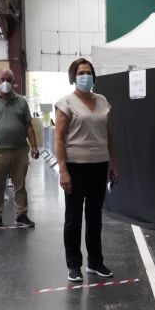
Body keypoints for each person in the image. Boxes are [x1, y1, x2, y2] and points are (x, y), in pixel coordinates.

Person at [54, 58, 119, 282]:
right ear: (73, 77)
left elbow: (109, 134)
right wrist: (63, 170)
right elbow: (59, 139)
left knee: (94, 217)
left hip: (99, 166)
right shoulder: (65, 103)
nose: (85, 76)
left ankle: (95, 262)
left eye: (88, 72)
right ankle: (73, 265)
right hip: (75, 166)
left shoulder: (102, 100)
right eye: (81, 72)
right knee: (73, 218)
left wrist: (114, 164)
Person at [0, 69, 39, 228]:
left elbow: (29, 126)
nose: (5, 82)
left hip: (19, 151)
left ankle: (21, 214)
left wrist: (34, 146)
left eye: (9, 79)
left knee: (20, 185)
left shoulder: (21, 102)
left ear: (13, 82)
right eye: (2, 79)